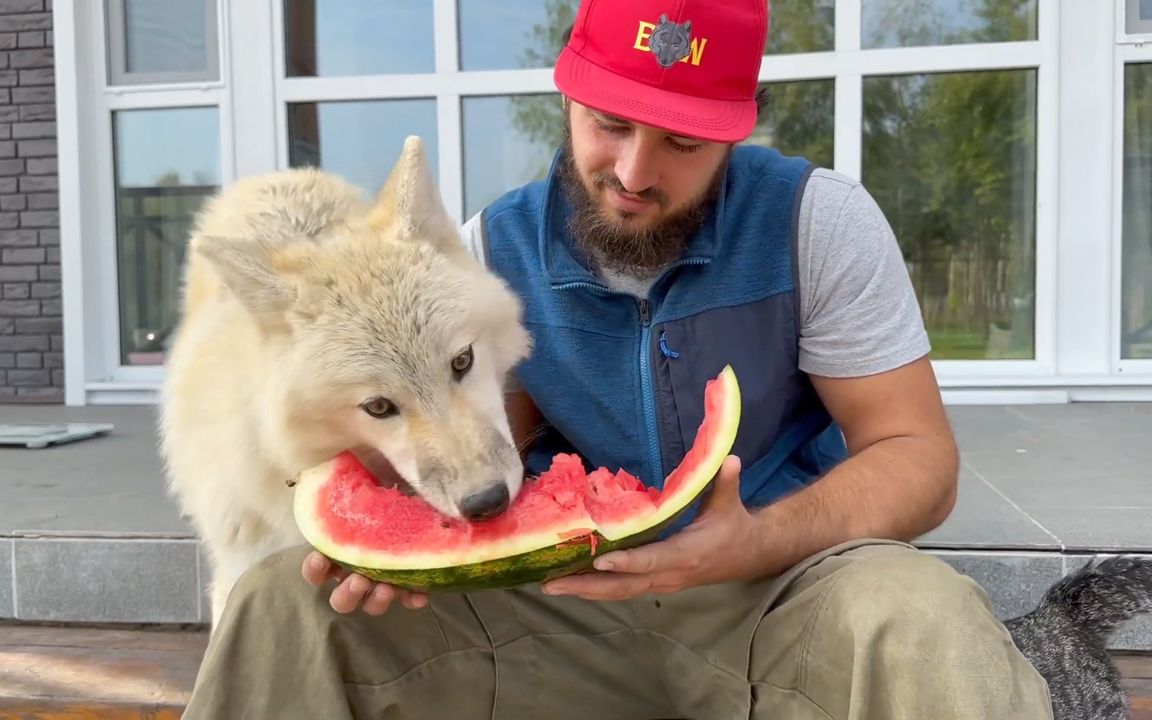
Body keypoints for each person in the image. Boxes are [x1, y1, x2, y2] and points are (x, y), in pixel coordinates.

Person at [181, 0, 1055, 717]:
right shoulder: (491, 251)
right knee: (280, 605)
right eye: (609, 125)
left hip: (790, 595)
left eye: (682, 143)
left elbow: (920, 461)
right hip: (564, 609)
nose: (634, 173)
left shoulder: (816, 224)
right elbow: (477, 453)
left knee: (925, 619)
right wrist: (392, 535)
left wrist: (754, 542)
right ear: (568, 93)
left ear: (735, 132)